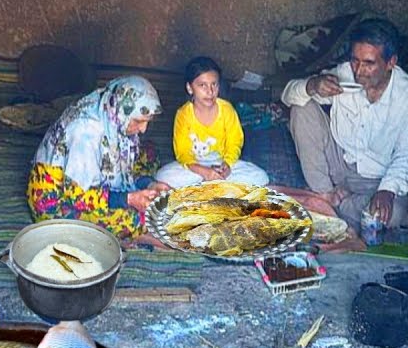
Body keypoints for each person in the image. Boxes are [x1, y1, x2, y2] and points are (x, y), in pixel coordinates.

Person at [281, 18, 408, 232]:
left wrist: (387, 190)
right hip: (339, 167)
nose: (359, 71)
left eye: (369, 63)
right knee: (302, 108)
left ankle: (329, 205)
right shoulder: (343, 75)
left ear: (390, 63)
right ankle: (324, 194)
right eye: (355, 61)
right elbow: (288, 95)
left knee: (390, 215)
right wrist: (312, 86)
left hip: (378, 179)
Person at [28, 76, 168, 239]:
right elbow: (77, 197)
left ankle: (136, 195)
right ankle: (142, 235)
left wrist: (150, 184)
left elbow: (124, 159)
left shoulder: (109, 104)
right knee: (136, 219)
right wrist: (128, 199)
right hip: (57, 200)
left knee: (149, 154)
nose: (143, 129)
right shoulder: (85, 133)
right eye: (138, 121)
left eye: (147, 121)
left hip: (84, 181)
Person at [155, 57, 270, 189]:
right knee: (163, 176)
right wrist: (203, 171)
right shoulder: (183, 114)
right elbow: (183, 153)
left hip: (221, 163)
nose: (210, 92)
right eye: (202, 85)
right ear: (190, 88)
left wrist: (226, 166)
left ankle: (209, 184)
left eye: (214, 84)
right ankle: (215, 185)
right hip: (195, 167)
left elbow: (235, 142)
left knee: (260, 177)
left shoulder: (227, 110)